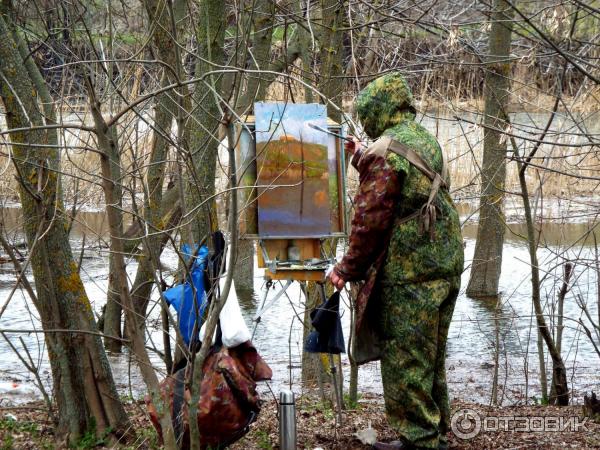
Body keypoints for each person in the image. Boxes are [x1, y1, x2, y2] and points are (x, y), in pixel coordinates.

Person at [329, 73, 464, 450]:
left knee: (407, 357)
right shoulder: (423, 139)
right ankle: (434, 434)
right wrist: (362, 157)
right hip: (445, 261)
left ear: (377, 111)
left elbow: (370, 217)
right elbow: (406, 186)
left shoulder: (387, 150)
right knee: (431, 355)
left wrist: (346, 269)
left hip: (411, 270)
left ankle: (420, 440)